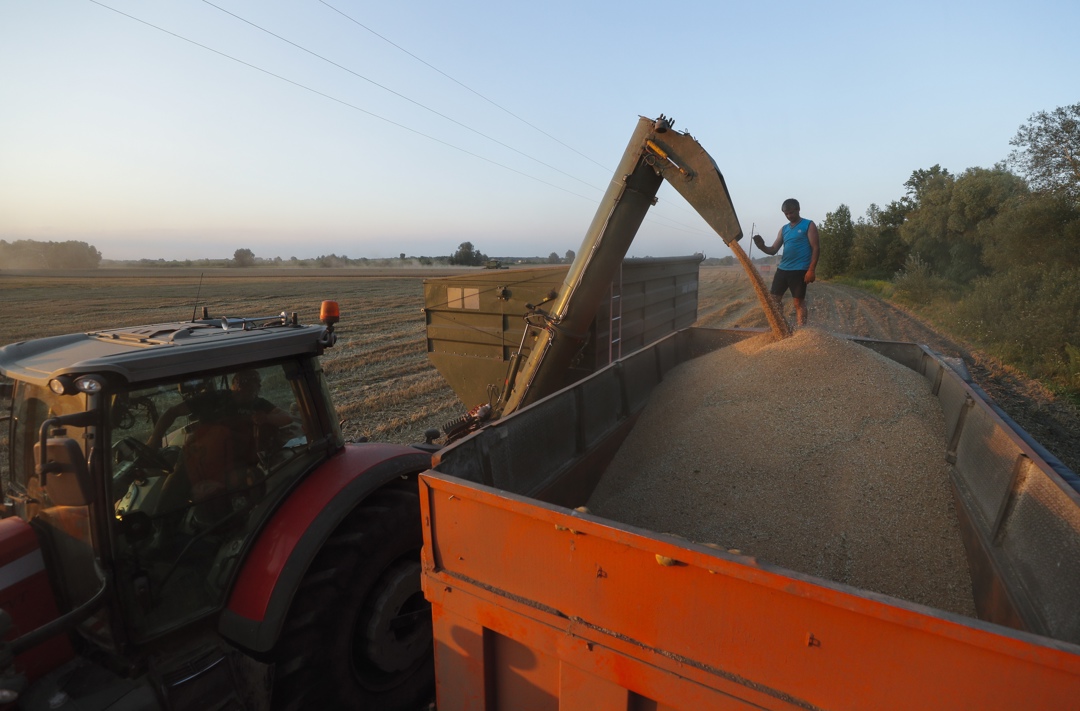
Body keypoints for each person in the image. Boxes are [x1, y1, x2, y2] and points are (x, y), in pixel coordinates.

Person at [753, 198, 820, 328]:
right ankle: (781, 328)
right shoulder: (784, 229)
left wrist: (811, 270)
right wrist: (762, 246)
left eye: (791, 212)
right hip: (783, 269)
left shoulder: (808, 225)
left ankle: (801, 332)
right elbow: (773, 250)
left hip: (800, 270)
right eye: (786, 214)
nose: (789, 216)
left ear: (798, 209)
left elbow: (816, 248)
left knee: (798, 302)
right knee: (774, 301)